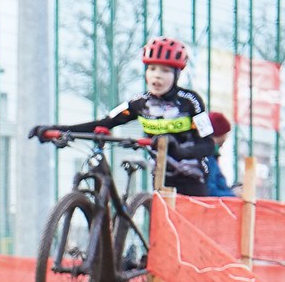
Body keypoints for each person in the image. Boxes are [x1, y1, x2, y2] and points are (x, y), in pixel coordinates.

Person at [30, 37, 221, 198]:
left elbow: (208, 145)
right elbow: (104, 123)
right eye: (152, 69)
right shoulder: (139, 103)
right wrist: (56, 130)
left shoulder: (190, 101)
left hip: (193, 180)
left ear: (177, 75)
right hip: (161, 176)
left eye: (165, 70)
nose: (157, 76)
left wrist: (178, 150)